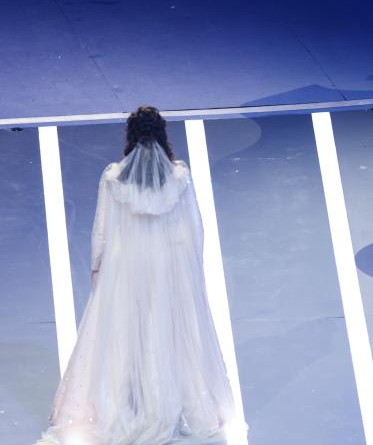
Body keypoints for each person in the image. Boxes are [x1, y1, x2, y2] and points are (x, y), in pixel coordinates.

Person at [37, 106, 242, 445]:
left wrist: (97, 266)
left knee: (122, 332)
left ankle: (124, 403)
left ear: (130, 135)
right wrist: (191, 268)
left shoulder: (113, 177)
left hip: (124, 266)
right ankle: (164, 402)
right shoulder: (179, 177)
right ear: (162, 134)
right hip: (165, 266)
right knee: (164, 332)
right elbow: (194, 227)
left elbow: (101, 229)